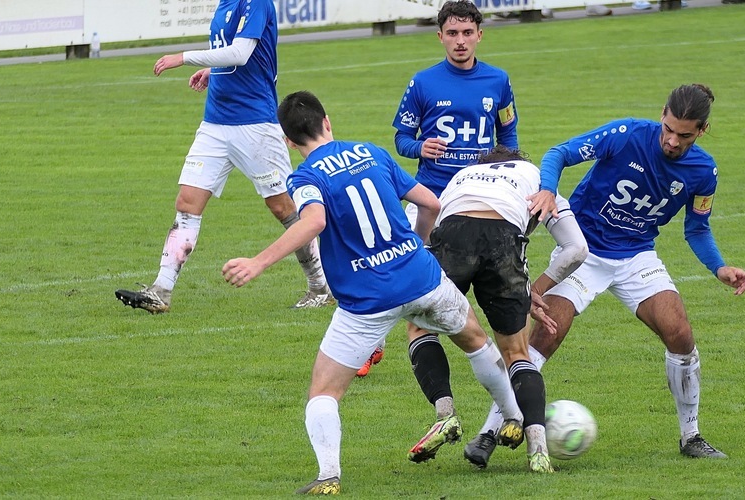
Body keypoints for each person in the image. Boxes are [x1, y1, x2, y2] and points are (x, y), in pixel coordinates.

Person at [222, 91, 526, 494]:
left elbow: (313, 221)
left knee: (324, 392)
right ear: (327, 122)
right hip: (422, 278)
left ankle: (329, 476)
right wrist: (416, 247)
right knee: (475, 340)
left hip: (367, 302)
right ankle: (512, 417)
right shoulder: (373, 152)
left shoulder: (306, 177)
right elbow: (430, 203)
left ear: (289, 141)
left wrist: (258, 262)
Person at [478, 83, 745, 461]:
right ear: (662, 114)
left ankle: (691, 436)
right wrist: (547, 189)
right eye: (668, 129)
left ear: (702, 131)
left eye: (684, 135)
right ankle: (490, 430)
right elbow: (560, 153)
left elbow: (697, 228)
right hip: (584, 252)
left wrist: (719, 267)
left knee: (680, 333)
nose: (672, 141)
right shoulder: (625, 135)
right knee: (545, 336)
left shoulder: (704, 172)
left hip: (636, 256)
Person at [114, 0, 331, 314]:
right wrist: (213, 70)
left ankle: (319, 286)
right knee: (187, 201)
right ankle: (161, 290)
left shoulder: (257, 3)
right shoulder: (225, 4)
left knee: (283, 207)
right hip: (215, 123)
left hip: (255, 124)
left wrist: (183, 58)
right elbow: (231, 55)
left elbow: (241, 52)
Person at [350, 0, 519, 377]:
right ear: (440, 36)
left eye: (467, 33)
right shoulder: (423, 82)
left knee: (480, 278)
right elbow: (401, 139)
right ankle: (370, 346)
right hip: (429, 195)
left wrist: (509, 168)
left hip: (475, 197)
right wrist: (419, 147)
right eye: (453, 34)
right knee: (397, 269)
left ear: (480, 35)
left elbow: (508, 134)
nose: (460, 41)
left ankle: (503, 355)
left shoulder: (498, 80)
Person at [410, 145, 588, 473]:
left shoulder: (461, 177)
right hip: (504, 241)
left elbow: (426, 218)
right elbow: (577, 249)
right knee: (517, 354)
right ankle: (538, 452)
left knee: (421, 328)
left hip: (453, 235)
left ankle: (445, 415)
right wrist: (534, 290)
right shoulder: (536, 178)